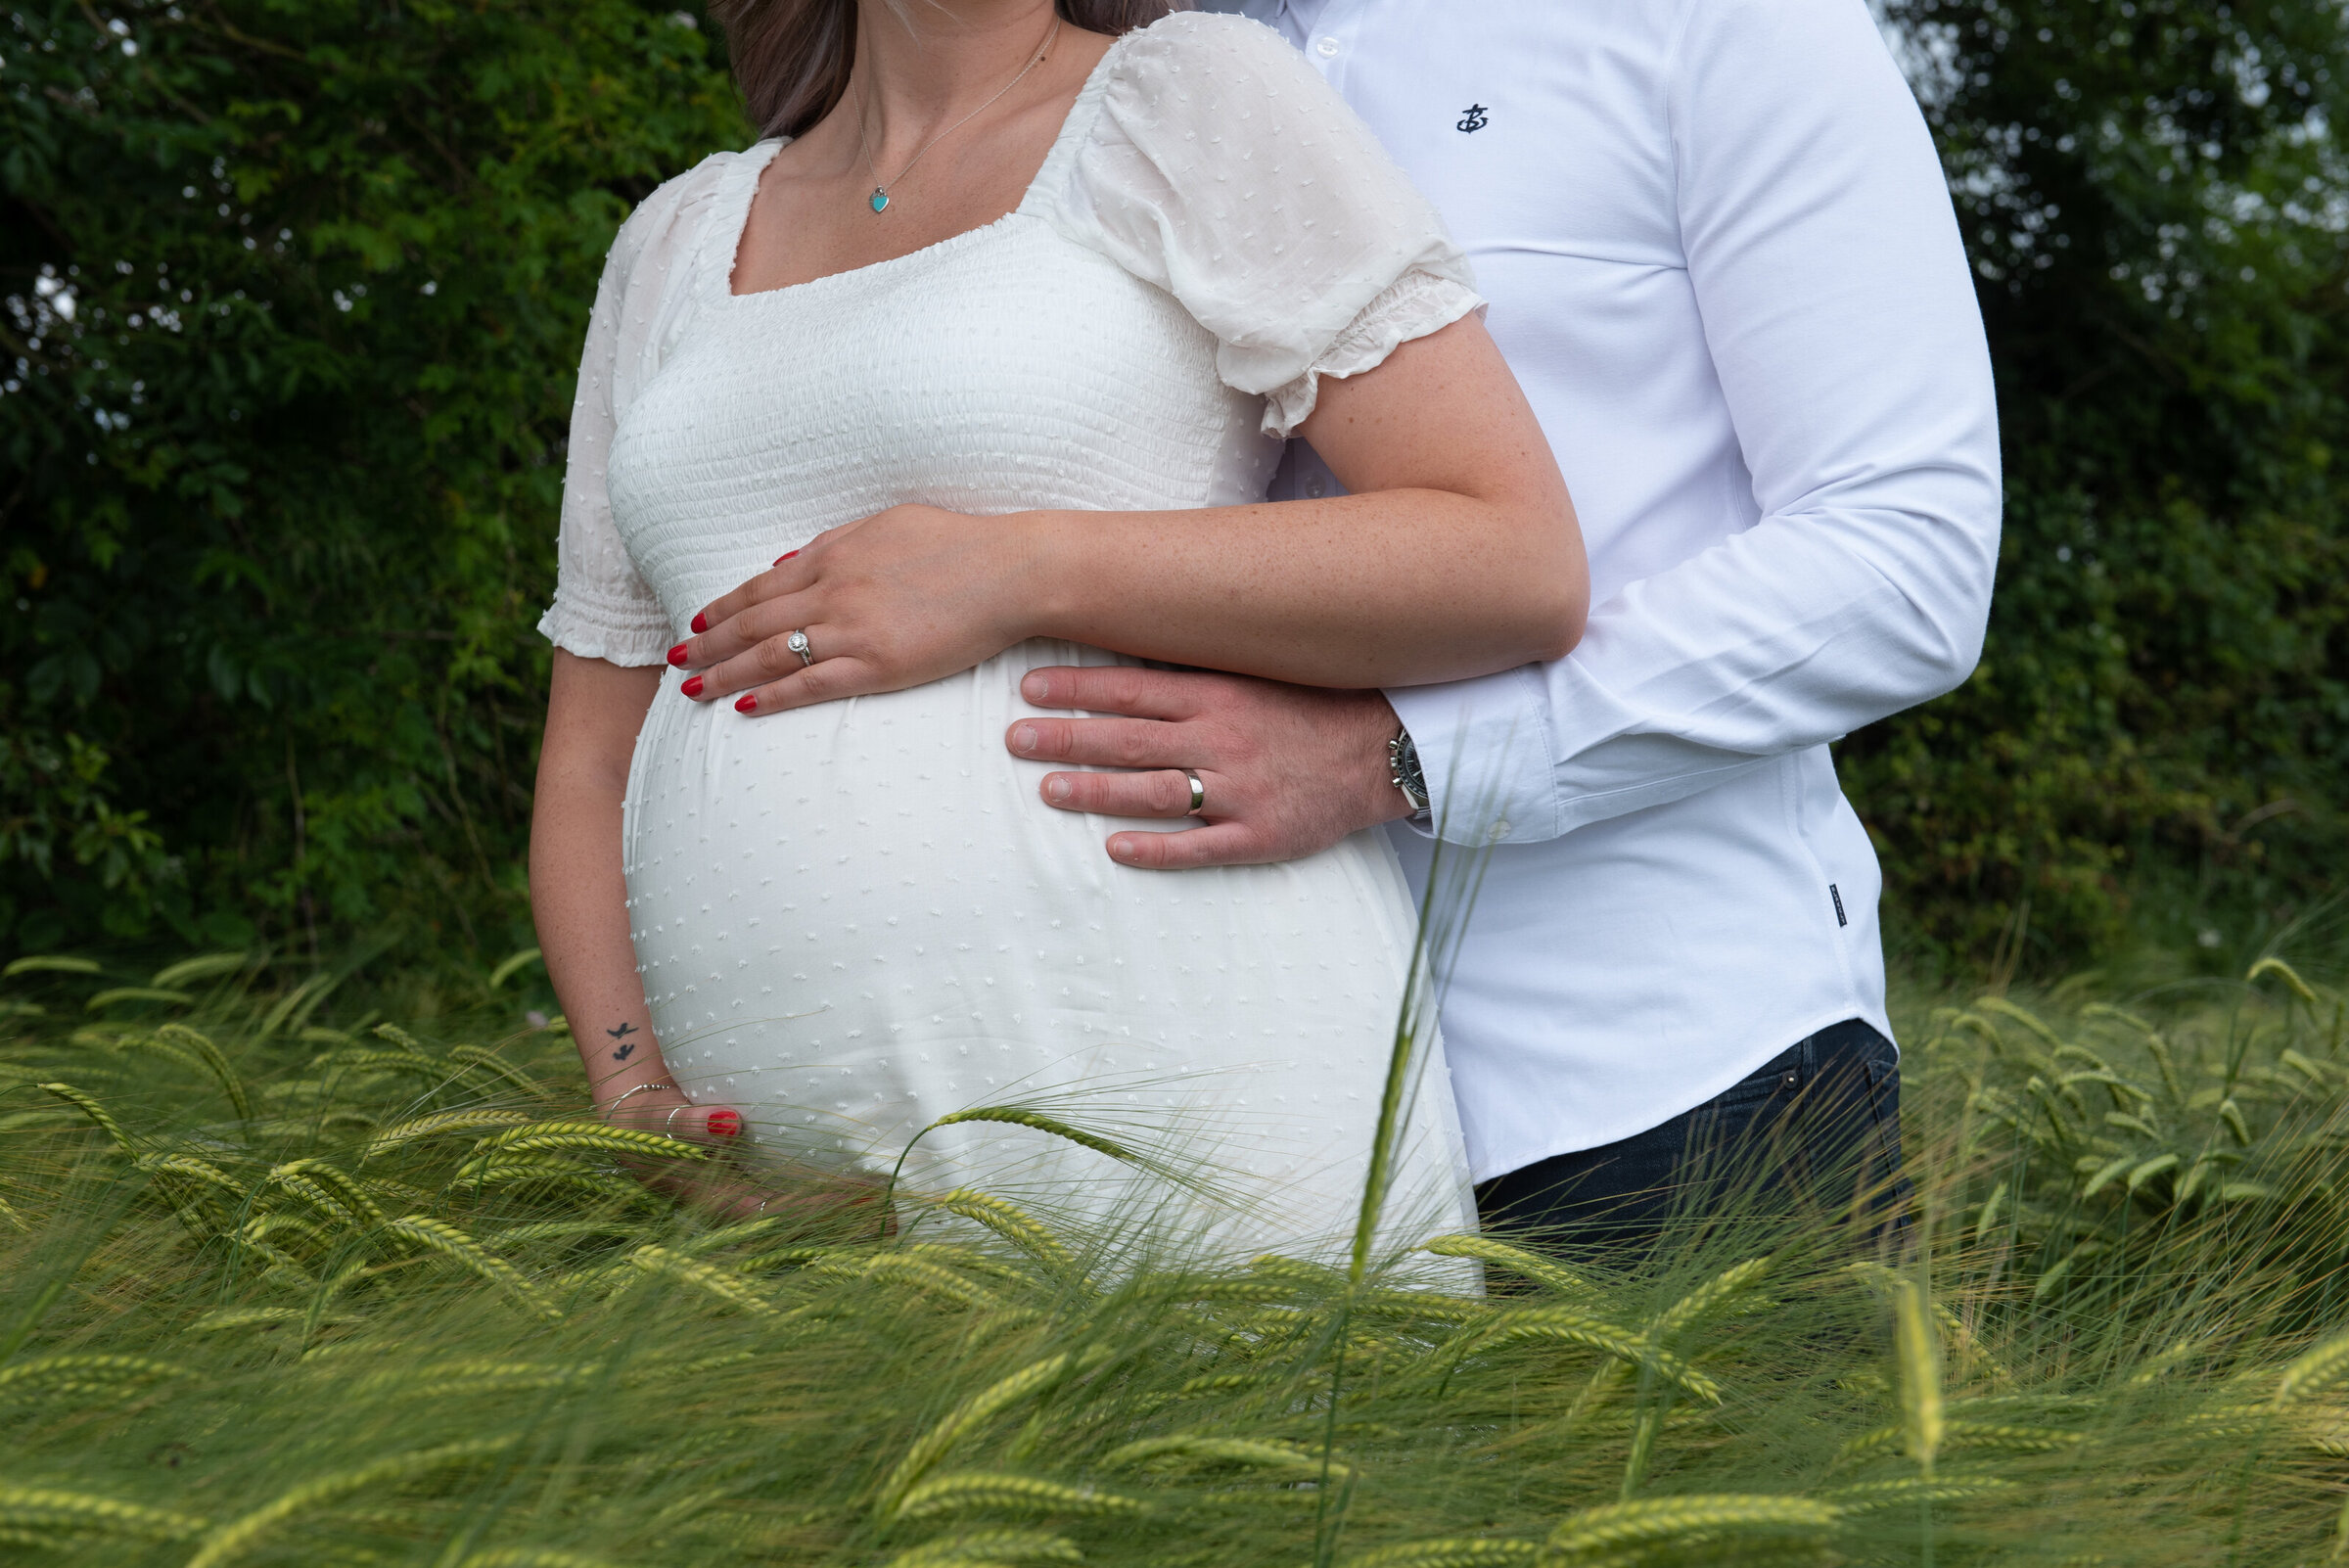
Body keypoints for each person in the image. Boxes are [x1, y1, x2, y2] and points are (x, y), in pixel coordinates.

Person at [694, 0, 2004, 1252]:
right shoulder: (1118, 61)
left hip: (1651, 1073)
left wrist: (1400, 753)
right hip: (1188, 1093)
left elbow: (1905, 556)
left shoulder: (1711, 20)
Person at [529, 0, 1588, 1257]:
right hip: (785, 1220)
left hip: (1189, 1088)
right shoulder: (673, 242)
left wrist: (1021, 567)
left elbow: (1510, 557)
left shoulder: (1187, 99)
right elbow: (592, 752)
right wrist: (629, 1087)